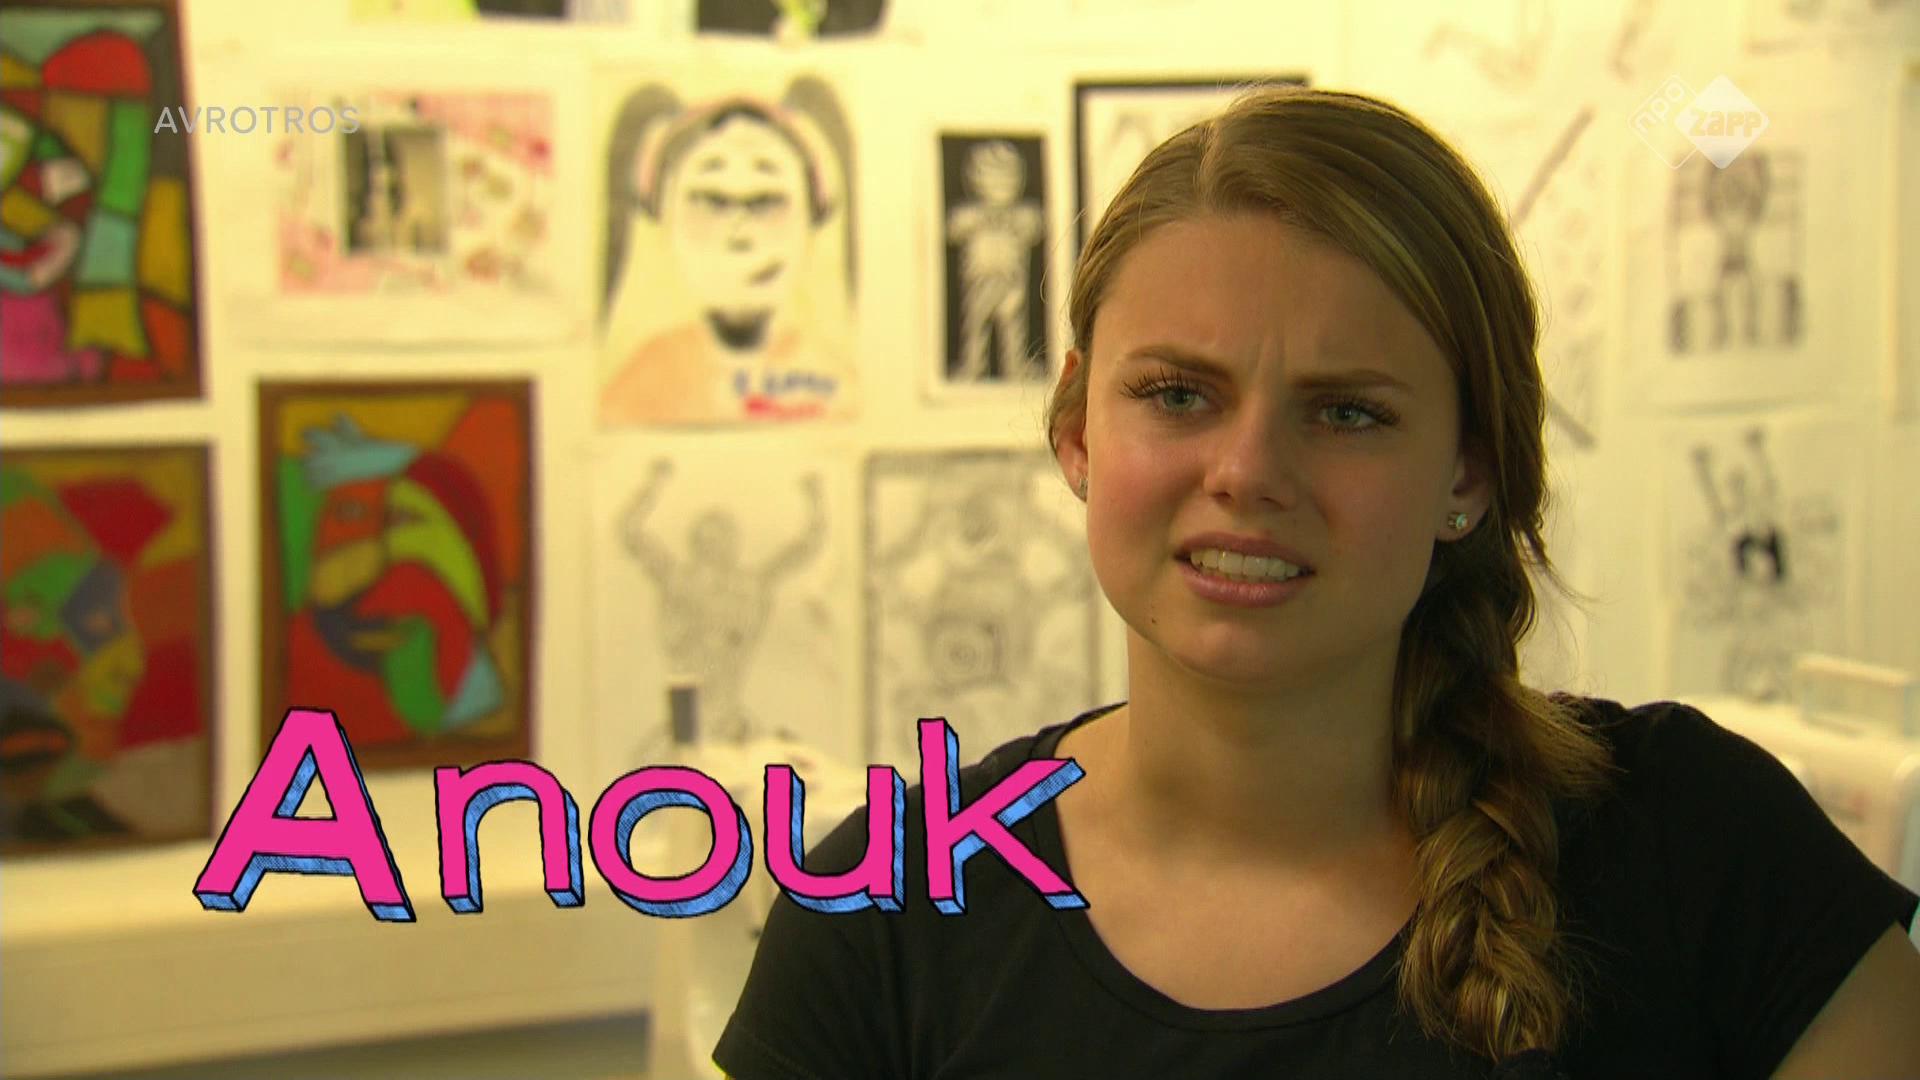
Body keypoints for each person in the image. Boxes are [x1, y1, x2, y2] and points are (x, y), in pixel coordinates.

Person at [711, 86, 1920, 1078]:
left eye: (1347, 413)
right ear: (1077, 428)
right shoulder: (889, 913)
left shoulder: (1699, 850)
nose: (1247, 472)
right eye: (1177, 394)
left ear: (1467, 472)